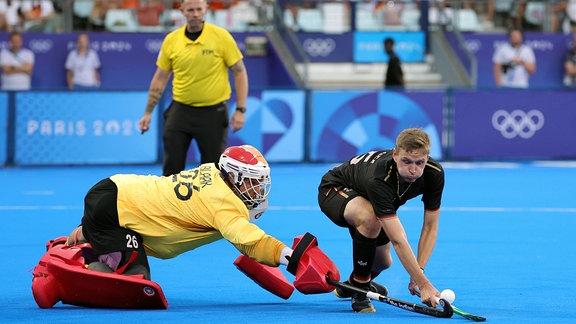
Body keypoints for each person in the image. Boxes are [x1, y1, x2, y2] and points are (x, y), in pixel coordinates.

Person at [32, 145, 339, 309]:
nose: (258, 189)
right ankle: (59, 282)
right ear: (233, 177)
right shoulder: (223, 204)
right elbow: (248, 239)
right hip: (113, 208)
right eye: (252, 181)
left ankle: (71, 243)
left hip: (116, 193)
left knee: (115, 236)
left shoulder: (212, 172)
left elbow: (239, 228)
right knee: (135, 283)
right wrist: (291, 257)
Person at [317, 128, 444, 313]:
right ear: (395, 154)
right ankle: (360, 291)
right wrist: (424, 284)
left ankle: (352, 284)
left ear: (427, 158)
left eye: (419, 162)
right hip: (336, 189)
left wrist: (419, 272)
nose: (413, 169)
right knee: (370, 218)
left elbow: (430, 227)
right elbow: (398, 239)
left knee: (383, 262)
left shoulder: (434, 174)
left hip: (369, 199)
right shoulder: (380, 177)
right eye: (406, 161)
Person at [138, 0, 248, 177]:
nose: (195, 13)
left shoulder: (221, 37)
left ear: (206, 9)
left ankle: (210, 205)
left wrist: (241, 109)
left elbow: (240, 73)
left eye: (199, 9)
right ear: (182, 11)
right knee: (171, 170)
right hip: (180, 110)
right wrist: (148, 113)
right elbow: (160, 78)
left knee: (213, 173)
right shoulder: (172, 40)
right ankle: (171, 205)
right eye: (191, 9)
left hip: (213, 113)